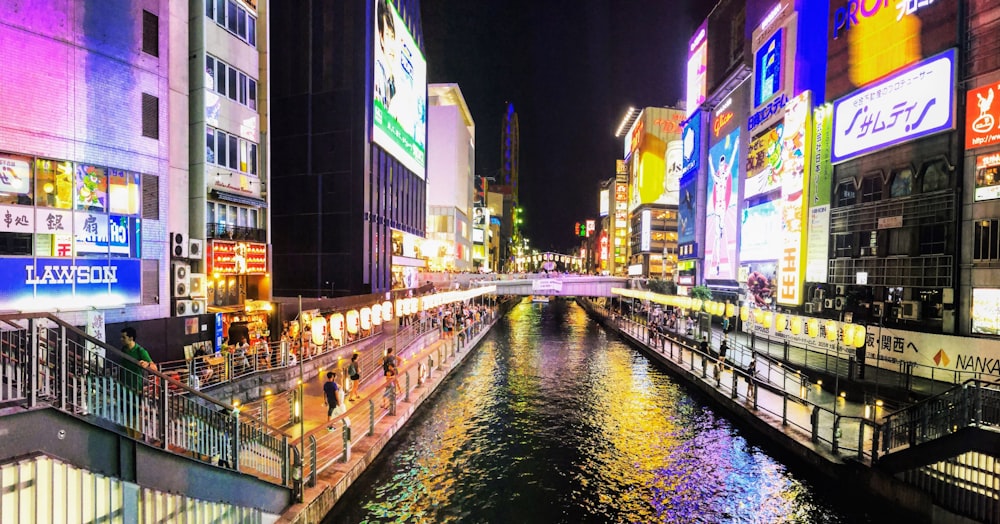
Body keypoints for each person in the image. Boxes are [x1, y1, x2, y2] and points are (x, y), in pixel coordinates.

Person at [120, 327, 153, 391]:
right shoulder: (124, 349)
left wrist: (147, 364)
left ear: (131, 338)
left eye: (124, 337)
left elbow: (154, 367)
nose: (121, 339)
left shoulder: (140, 351)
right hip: (124, 383)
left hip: (136, 385)